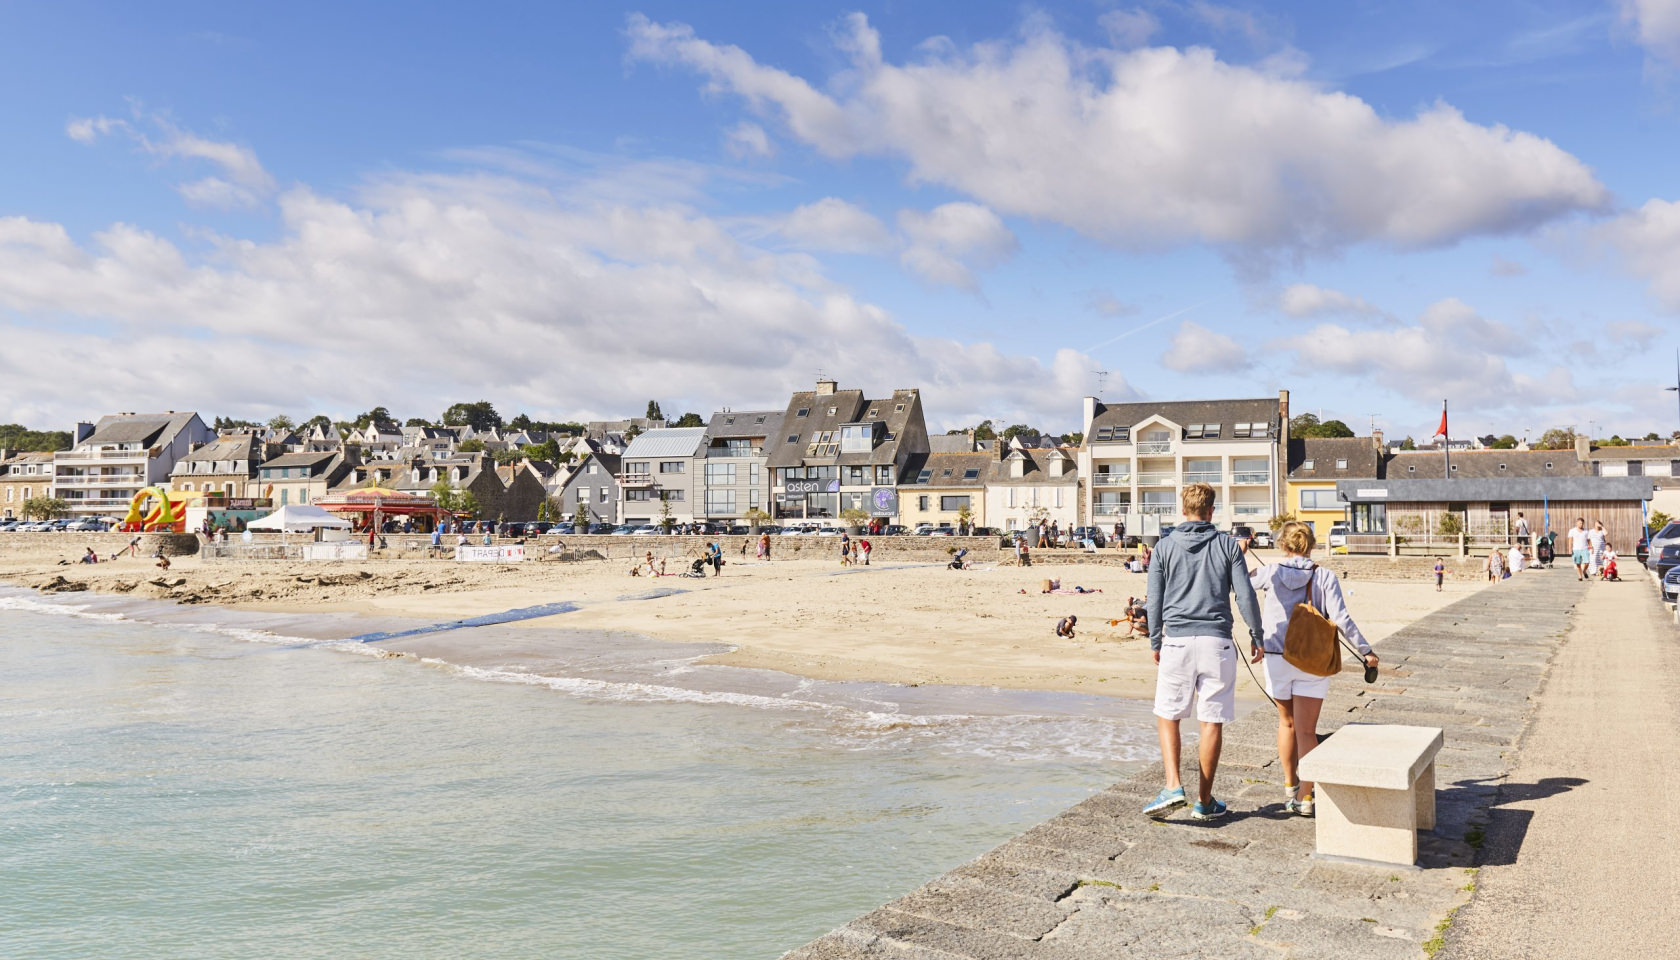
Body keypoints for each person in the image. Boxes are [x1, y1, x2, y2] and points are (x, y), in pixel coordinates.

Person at [1143, 483, 1264, 822]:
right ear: (1212, 511)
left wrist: (1155, 640)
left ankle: (1173, 784)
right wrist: (1257, 635)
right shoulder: (1227, 546)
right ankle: (1204, 800)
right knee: (1211, 721)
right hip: (1217, 643)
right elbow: (1245, 596)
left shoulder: (1164, 547)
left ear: (1183, 510)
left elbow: (1155, 599)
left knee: (1169, 714)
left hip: (1177, 641)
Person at [1248, 520, 1377, 818]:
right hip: (1313, 659)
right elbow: (1342, 619)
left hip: (1278, 655)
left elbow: (1238, 583)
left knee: (1286, 723)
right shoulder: (1325, 576)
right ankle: (1306, 797)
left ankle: (1289, 786)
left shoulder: (1271, 571)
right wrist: (1366, 651)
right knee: (1307, 730)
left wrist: (1243, 551)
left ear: (1283, 544)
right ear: (1312, 545)